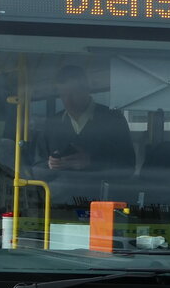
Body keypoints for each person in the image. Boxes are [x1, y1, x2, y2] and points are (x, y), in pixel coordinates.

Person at [34, 64, 133, 201]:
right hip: (56, 206)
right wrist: (49, 165)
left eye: (73, 94)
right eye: (63, 95)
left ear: (87, 89)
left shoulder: (113, 120)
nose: (68, 100)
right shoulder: (51, 124)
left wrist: (92, 162)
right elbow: (35, 169)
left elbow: (128, 167)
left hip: (102, 206)